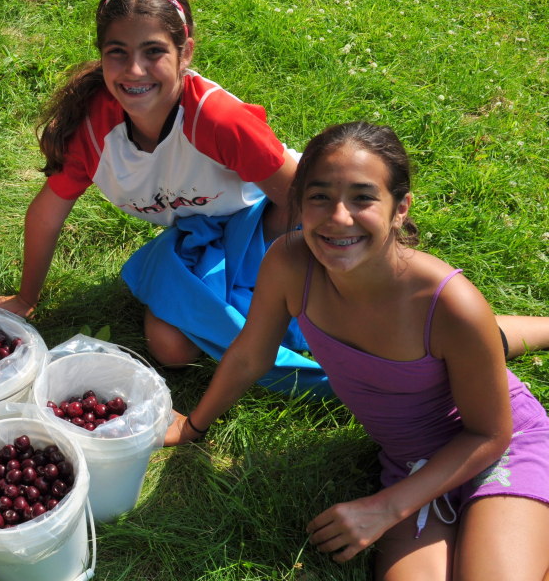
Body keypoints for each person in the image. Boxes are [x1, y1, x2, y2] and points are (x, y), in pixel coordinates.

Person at [166, 122, 549, 579]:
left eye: (363, 198)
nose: (339, 217)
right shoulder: (290, 264)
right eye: (320, 197)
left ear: (399, 208)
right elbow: (251, 354)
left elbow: (490, 434)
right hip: (412, 462)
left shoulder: (450, 304)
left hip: (499, 447)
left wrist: (384, 508)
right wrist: (193, 424)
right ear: (298, 204)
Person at [0, 0, 328, 395]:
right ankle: (240, 307)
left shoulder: (216, 120)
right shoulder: (94, 131)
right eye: (118, 53)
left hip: (266, 220)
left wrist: (297, 271)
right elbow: (46, 214)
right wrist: (24, 299)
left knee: (298, 318)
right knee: (170, 348)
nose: (134, 71)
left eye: (154, 52)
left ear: (186, 52)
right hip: (200, 234)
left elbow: (301, 202)